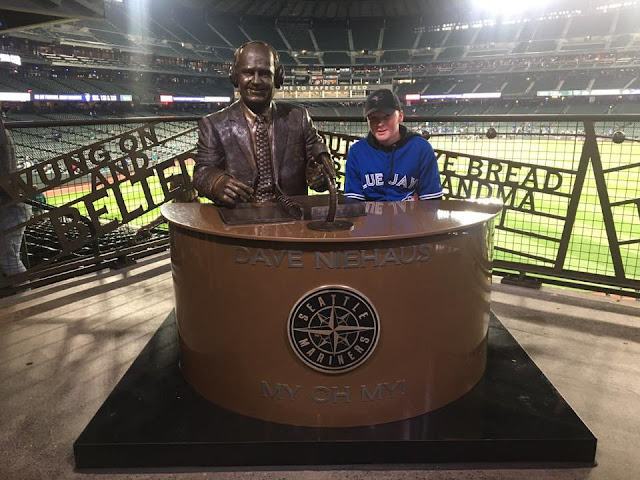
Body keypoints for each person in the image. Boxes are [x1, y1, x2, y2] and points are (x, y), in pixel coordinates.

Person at [193, 41, 333, 206]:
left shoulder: (299, 118)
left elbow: (317, 161)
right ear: (235, 76)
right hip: (240, 215)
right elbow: (202, 171)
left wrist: (321, 174)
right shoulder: (214, 124)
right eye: (248, 72)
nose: (256, 81)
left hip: (291, 215)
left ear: (278, 77)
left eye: (265, 74)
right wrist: (217, 182)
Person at [344, 88, 443, 202]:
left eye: (386, 116)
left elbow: (431, 200)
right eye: (373, 118)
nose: (380, 123)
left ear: (400, 116)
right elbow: (353, 202)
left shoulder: (421, 148)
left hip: (411, 213)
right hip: (368, 213)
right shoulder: (357, 152)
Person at [0, 117, 32, 278]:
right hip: (12, 204)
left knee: (9, 260)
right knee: (9, 259)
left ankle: (25, 290)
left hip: (11, 206)